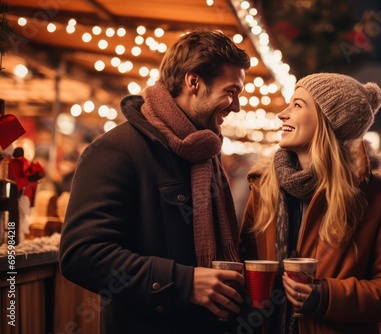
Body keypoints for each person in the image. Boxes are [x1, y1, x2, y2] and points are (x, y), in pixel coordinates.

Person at [59, 30, 251, 334]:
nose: (236, 106)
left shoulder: (204, 151)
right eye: (231, 91)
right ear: (193, 81)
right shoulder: (116, 149)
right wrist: (184, 283)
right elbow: (82, 254)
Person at [240, 73, 381, 333]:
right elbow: (247, 261)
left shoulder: (379, 196)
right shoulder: (264, 186)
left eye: (297, 105)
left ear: (329, 122)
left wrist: (325, 296)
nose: (282, 114)